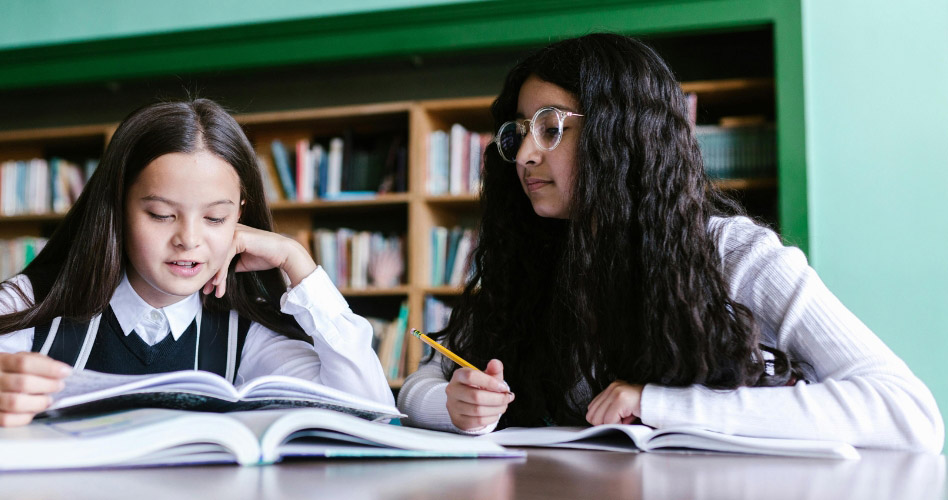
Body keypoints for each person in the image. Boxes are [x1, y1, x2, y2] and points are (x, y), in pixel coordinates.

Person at [397, 33, 943, 452]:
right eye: (520, 132)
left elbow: (908, 413)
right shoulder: (533, 256)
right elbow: (421, 383)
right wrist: (455, 405)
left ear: (622, 133)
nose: (523, 156)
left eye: (550, 127)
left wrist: (658, 405)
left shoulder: (735, 255)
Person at [0, 99, 395, 438]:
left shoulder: (241, 330)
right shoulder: (41, 303)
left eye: (216, 217)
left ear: (241, 220)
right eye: (160, 214)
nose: (189, 240)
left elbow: (369, 411)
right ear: (117, 209)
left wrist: (299, 265)